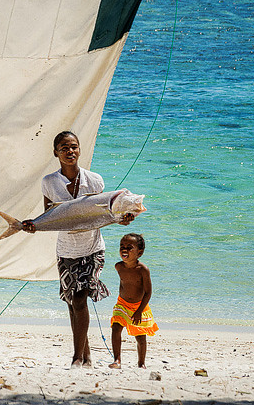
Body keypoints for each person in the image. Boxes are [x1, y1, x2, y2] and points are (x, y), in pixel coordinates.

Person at [23, 130, 133, 368]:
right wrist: (35, 226)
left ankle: (77, 358)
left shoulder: (95, 181)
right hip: (66, 251)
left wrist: (120, 219)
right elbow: (50, 216)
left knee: (80, 298)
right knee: (73, 303)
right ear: (56, 153)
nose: (69, 151)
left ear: (79, 149)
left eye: (73, 147)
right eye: (64, 148)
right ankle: (87, 357)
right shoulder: (49, 182)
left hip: (93, 249)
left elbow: (103, 213)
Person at [108, 233, 158, 369]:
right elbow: (123, 284)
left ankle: (141, 363)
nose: (124, 249)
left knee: (140, 337)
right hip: (122, 304)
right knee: (116, 328)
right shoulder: (119, 267)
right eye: (122, 246)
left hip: (139, 306)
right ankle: (117, 360)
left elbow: (148, 292)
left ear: (139, 252)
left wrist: (139, 311)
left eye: (129, 247)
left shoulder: (143, 270)